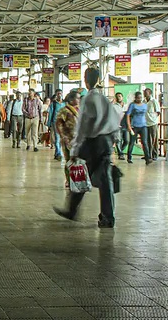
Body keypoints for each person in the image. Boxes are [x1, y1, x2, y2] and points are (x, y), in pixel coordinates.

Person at [54, 68, 120, 228]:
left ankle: (72, 210)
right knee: (105, 182)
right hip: (105, 141)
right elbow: (115, 121)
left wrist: (76, 149)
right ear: (97, 79)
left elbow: (83, 126)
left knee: (81, 175)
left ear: (86, 80)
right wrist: (114, 140)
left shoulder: (88, 100)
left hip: (91, 143)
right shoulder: (104, 99)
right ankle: (107, 217)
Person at [55, 91, 80, 188]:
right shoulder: (64, 110)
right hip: (68, 138)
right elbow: (58, 123)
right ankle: (69, 179)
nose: (78, 100)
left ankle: (78, 178)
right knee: (69, 159)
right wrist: (63, 136)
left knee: (78, 160)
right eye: (77, 98)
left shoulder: (80, 109)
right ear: (71, 100)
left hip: (78, 138)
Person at [125, 91, 152, 165]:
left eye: (141, 98)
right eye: (138, 98)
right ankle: (129, 157)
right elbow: (128, 115)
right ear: (135, 98)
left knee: (145, 142)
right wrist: (129, 126)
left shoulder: (144, 105)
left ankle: (147, 158)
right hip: (134, 126)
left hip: (143, 125)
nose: (139, 99)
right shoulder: (132, 105)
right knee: (132, 142)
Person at [48, 89, 65, 160]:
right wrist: (49, 123)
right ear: (56, 95)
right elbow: (50, 113)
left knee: (61, 139)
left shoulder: (64, 104)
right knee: (57, 138)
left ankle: (56, 153)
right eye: (58, 94)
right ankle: (59, 153)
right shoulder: (53, 104)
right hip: (55, 122)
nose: (59, 95)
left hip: (63, 123)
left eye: (61, 93)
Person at [144, 88, 161, 161]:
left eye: (146, 92)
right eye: (144, 92)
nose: (145, 93)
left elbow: (158, 112)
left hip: (153, 123)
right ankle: (148, 155)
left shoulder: (154, 101)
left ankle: (155, 154)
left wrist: (153, 118)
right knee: (147, 140)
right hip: (145, 123)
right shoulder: (144, 101)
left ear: (150, 93)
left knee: (154, 139)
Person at [112, 92, 128, 160]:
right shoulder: (114, 106)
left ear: (122, 97)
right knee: (118, 140)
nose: (119, 97)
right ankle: (120, 154)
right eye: (117, 96)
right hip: (118, 125)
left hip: (125, 125)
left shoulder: (126, 105)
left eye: (120, 96)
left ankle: (120, 150)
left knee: (127, 141)